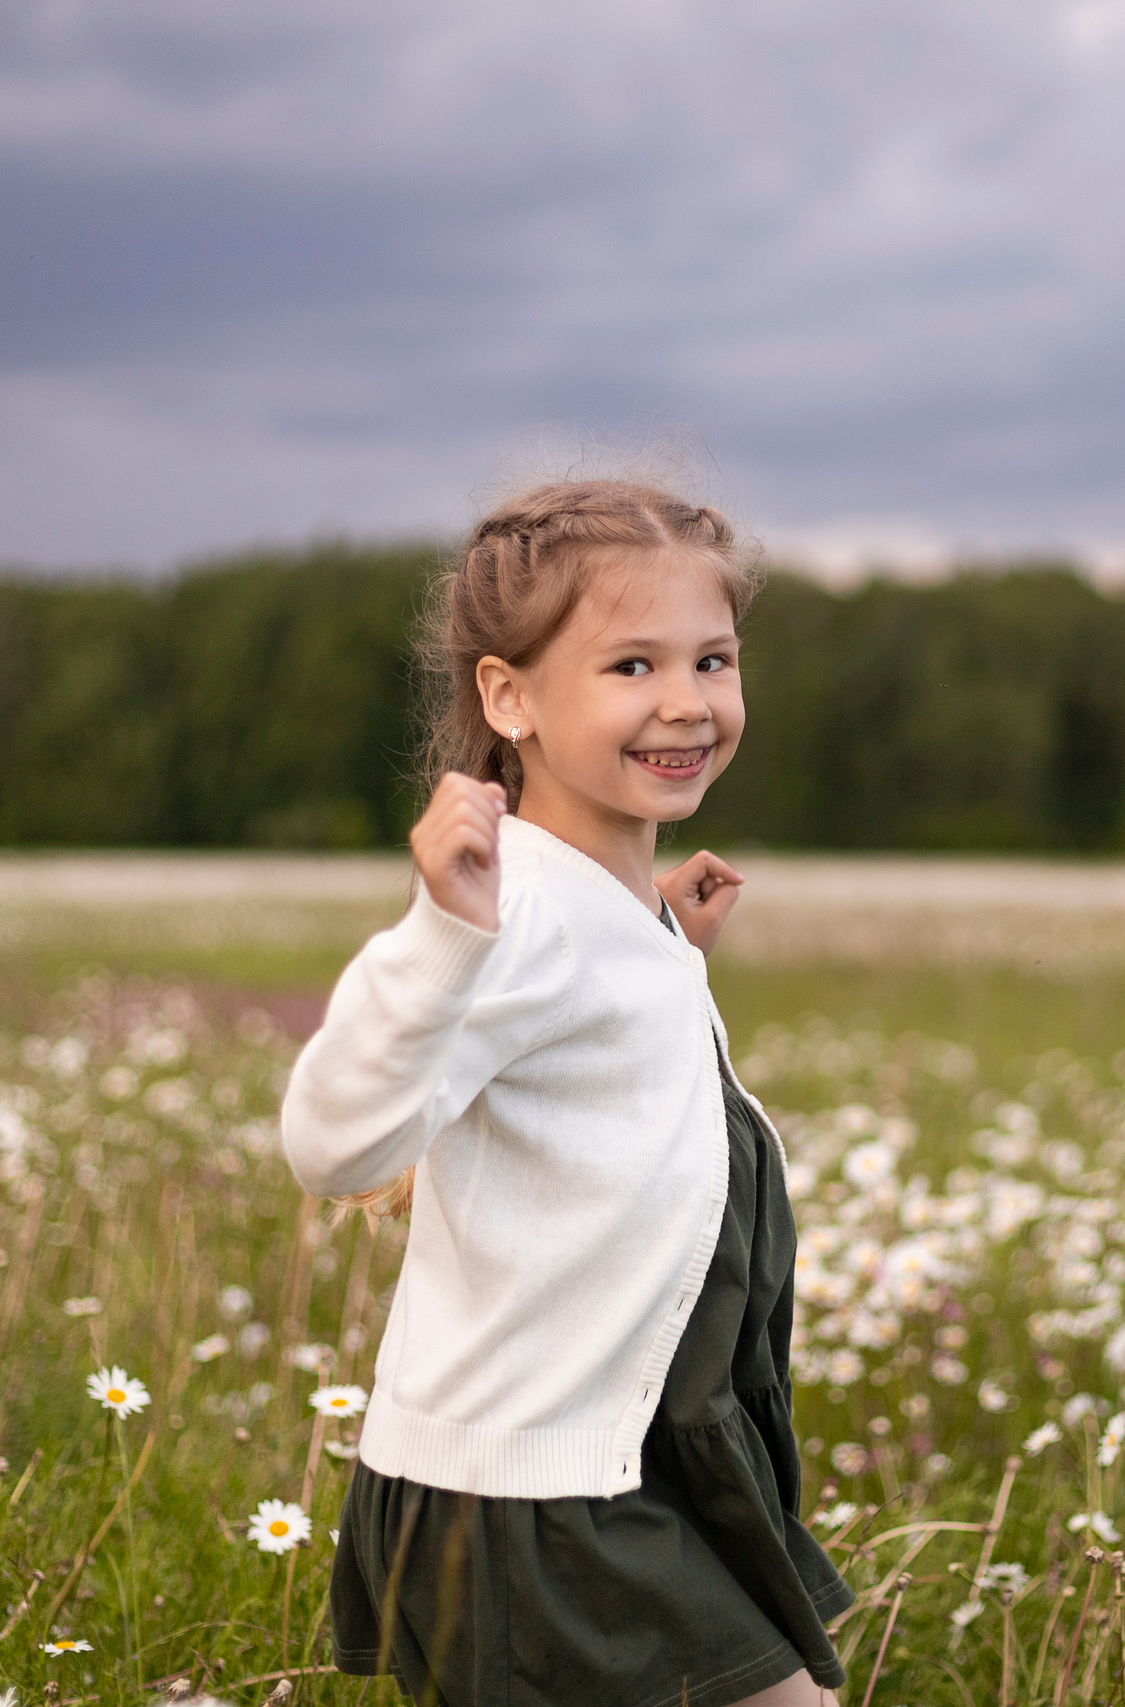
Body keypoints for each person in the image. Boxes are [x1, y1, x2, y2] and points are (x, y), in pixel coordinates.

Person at [280, 480, 851, 1707]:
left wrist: (661, 951)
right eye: (631, 665)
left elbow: (591, 1101)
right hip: (533, 1494)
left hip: (612, 1458)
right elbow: (333, 1146)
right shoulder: (512, 913)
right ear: (509, 697)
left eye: (712, 657)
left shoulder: (597, 913)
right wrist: (441, 938)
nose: (687, 701)